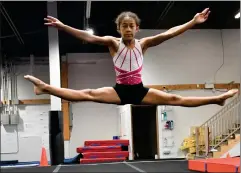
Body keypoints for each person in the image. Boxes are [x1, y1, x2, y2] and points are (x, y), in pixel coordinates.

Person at [24, 8, 238, 106]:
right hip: (119, 91)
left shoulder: (143, 44)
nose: (127, 29)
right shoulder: (112, 42)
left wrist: (192, 22)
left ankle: (216, 99)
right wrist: (63, 27)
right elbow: (88, 38)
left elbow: (169, 33)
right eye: (123, 26)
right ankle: (45, 87)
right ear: (119, 28)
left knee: (175, 99)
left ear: (137, 29)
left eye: (131, 26)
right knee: (86, 94)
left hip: (139, 91)